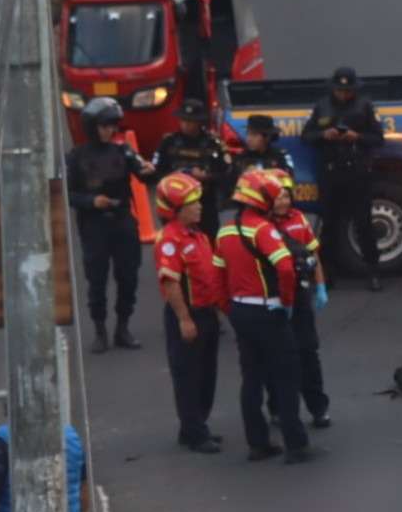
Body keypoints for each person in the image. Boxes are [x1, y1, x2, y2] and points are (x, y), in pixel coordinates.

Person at [216, 170, 312, 463]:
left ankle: (257, 444)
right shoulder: (263, 230)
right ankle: (296, 445)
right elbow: (284, 267)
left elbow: (218, 275)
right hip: (268, 310)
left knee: (252, 378)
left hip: (240, 311)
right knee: (286, 376)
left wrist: (229, 308)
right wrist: (286, 301)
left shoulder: (225, 230)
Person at [67, 97, 155, 353]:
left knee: (128, 275)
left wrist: (150, 169)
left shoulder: (123, 151)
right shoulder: (77, 157)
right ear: (92, 126)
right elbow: (68, 194)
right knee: (97, 279)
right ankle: (100, 330)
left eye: (112, 126)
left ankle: (123, 327)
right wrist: (92, 201)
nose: (109, 131)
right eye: (104, 125)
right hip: (94, 226)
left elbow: (142, 171)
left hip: (123, 222)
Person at [155, 172, 226, 453]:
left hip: (207, 313)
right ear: (176, 210)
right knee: (188, 376)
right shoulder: (170, 240)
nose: (199, 207)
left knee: (207, 374)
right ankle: (194, 432)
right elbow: (171, 283)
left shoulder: (198, 235)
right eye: (192, 203)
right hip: (188, 315)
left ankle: (196, 427)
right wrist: (184, 318)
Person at [301, 66, 384, 291]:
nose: (344, 94)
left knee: (364, 224)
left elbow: (378, 138)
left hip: (357, 171)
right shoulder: (321, 106)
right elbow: (306, 136)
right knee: (329, 226)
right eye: (339, 90)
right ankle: (327, 274)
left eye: (347, 90)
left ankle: (373, 272)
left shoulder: (365, 106)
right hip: (330, 172)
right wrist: (323, 135)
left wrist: (356, 136)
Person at [268, 167, 331, 429]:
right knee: (277, 357)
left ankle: (318, 409)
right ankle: (278, 409)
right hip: (275, 299)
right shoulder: (262, 226)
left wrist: (320, 286)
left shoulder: (299, 219)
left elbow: (312, 255)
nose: (283, 201)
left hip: (300, 296)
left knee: (308, 352)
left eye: (286, 196)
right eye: (277, 197)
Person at [153, 99, 232, 230]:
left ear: (199, 122)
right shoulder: (168, 142)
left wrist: (207, 177)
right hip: (175, 206)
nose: (186, 125)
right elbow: (156, 171)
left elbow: (226, 173)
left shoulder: (213, 144)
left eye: (190, 121)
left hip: (204, 204)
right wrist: (175, 176)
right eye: (183, 120)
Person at [228, 113, 291, 180]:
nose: (249, 139)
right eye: (248, 134)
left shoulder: (280, 156)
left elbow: (288, 179)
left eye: (254, 135)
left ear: (267, 137)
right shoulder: (240, 157)